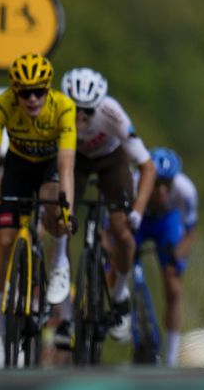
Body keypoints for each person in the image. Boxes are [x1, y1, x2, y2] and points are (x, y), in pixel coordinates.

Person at [0, 53, 76, 367]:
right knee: (4, 243)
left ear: (48, 89)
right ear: (14, 91)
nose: (32, 99)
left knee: (54, 208)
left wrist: (66, 208)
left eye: (39, 91)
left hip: (49, 167)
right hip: (17, 167)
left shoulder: (63, 107)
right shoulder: (2, 104)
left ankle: (58, 263)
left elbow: (66, 163)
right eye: (25, 92)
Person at [56, 67, 156, 344]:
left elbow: (147, 166)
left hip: (111, 161)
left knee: (121, 230)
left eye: (87, 111)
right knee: (61, 222)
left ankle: (120, 296)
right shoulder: (56, 111)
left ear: (98, 106)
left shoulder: (112, 113)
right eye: (74, 109)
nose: (80, 117)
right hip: (73, 160)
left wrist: (138, 210)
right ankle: (65, 314)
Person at [136, 147, 197, 367]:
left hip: (166, 224)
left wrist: (175, 257)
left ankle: (171, 355)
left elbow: (190, 233)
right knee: (117, 258)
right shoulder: (134, 183)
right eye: (156, 183)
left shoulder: (185, 190)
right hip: (140, 220)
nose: (162, 191)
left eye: (167, 184)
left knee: (173, 287)